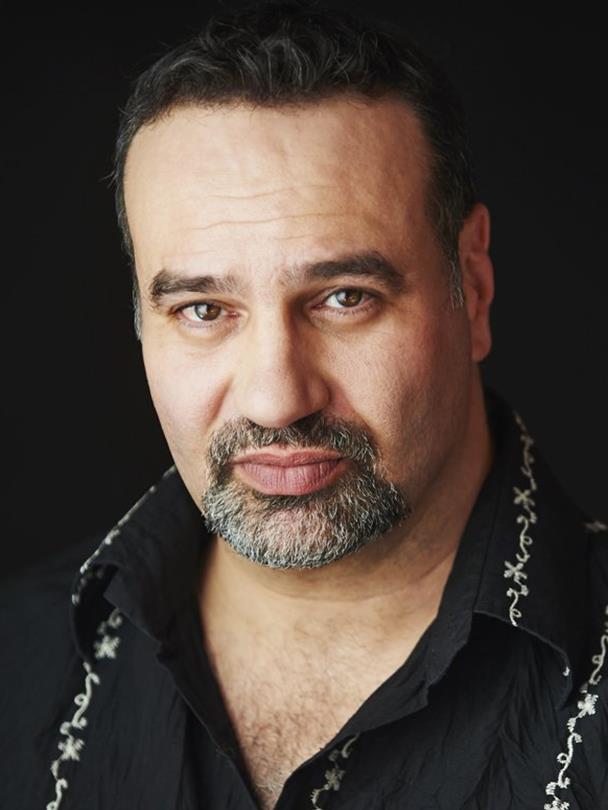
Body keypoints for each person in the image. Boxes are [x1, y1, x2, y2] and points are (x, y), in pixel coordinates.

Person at [1, 2, 606, 808]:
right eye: (204, 310)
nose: (277, 400)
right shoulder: (17, 662)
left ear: (475, 285)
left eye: (344, 297)